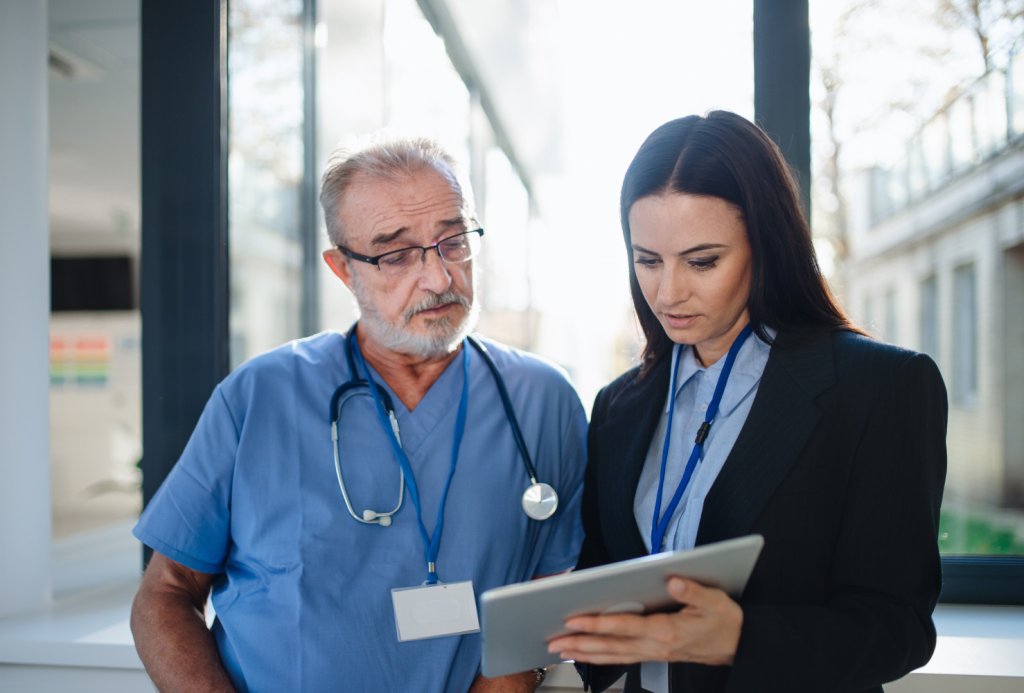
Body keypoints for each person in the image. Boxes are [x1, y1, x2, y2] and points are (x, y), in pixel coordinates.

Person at [130, 136, 587, 692]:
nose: (439, 278)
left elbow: (553, 579)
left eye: (454, 240)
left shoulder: (542, 400)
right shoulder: (259, 397)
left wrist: (505, 684)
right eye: (395, 255)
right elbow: (167, 590)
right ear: (343, 268)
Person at [546, 111, 948, 693]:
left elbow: (898, 626)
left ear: (767, 245)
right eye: (647, 260)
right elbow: (605, 567)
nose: (667, 292)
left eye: (702, 261)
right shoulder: (618, 406)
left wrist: (737, 637)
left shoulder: (881, 388)